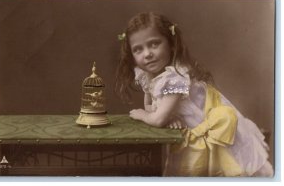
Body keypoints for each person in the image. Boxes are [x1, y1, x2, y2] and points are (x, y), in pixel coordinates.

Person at [115, 12, 273, 177]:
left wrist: (143, 115)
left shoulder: (174, 78)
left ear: (171, 44)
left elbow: (156, 119)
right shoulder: (147, 75)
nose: (147, 53)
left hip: (211, 132)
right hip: (190, 136)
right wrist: (168, 114)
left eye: (154, 44)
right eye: (138, 49)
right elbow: (152, 107)